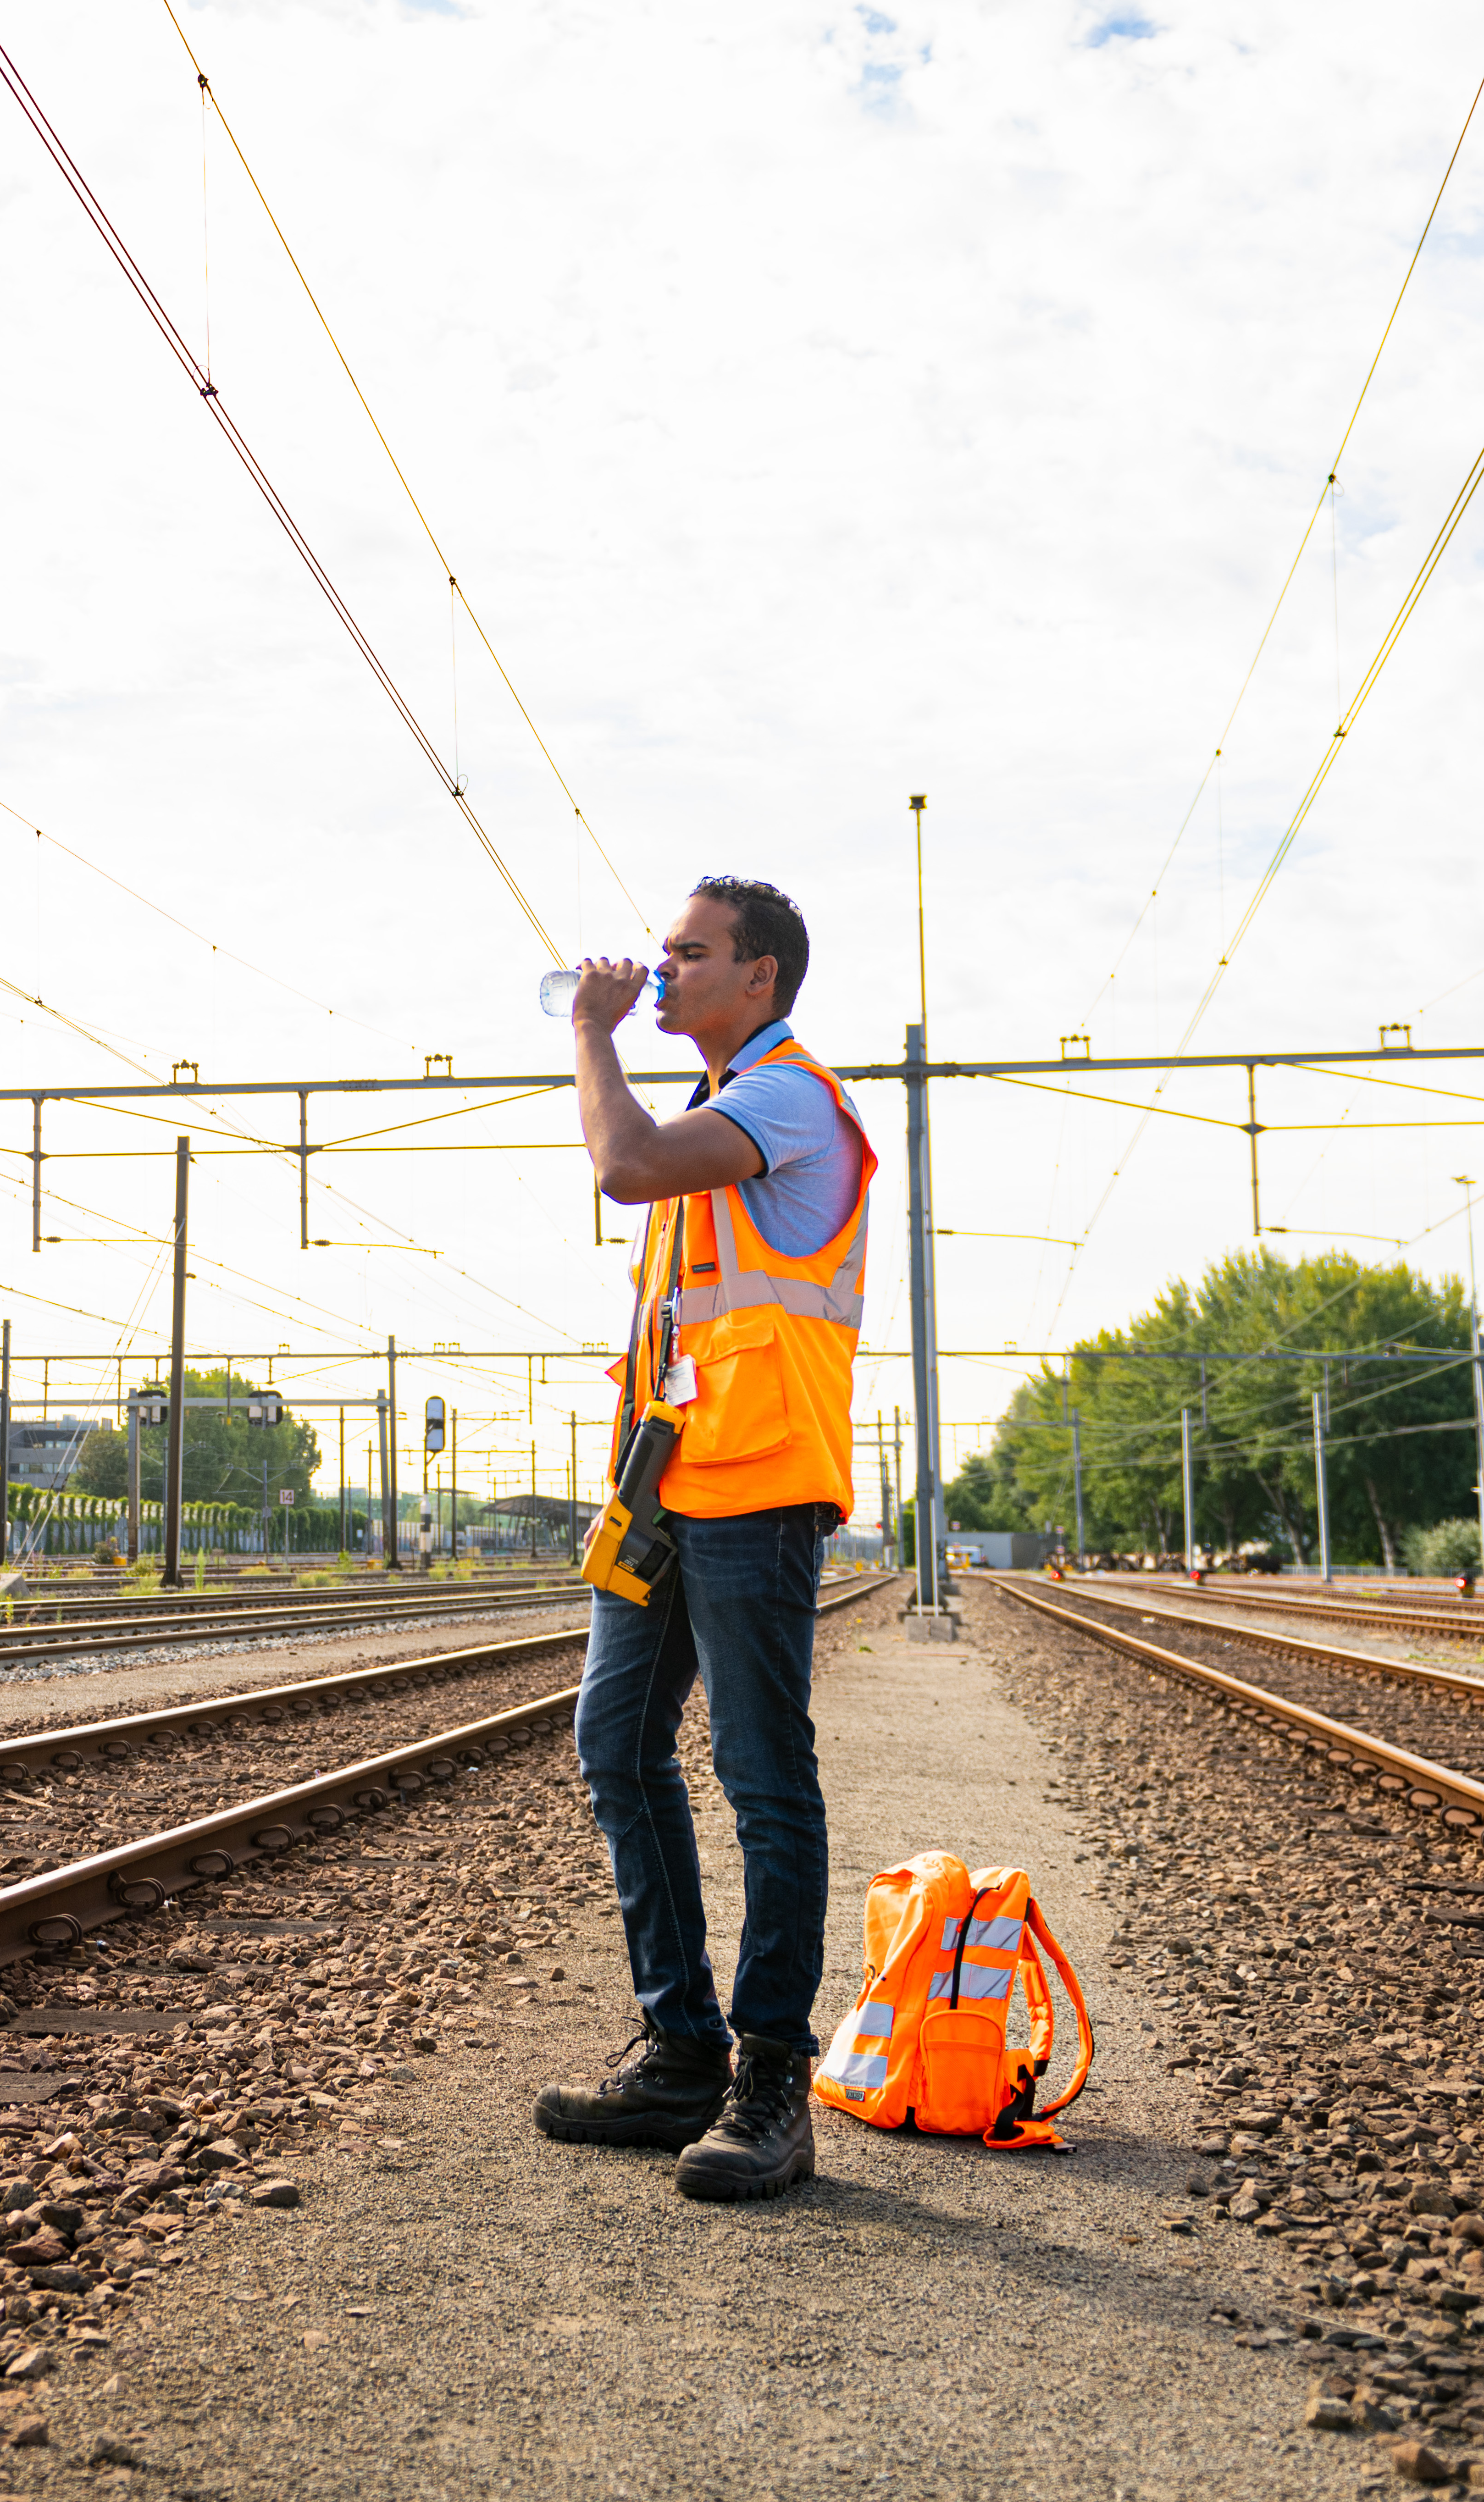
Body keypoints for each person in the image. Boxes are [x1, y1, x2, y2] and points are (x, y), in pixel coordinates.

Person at [532, 877, 875, 2203]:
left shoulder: (787, 1098)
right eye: (661, 954)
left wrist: (593, 1034)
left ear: (763, 980)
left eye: (691, 954)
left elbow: (619, 1169)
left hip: (761, 1475)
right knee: (616, 1742)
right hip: (668, 1482)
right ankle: (682, 2047)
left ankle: (771, 2082)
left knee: (760, 1771)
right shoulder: (715, 1110)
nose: (662, 970)